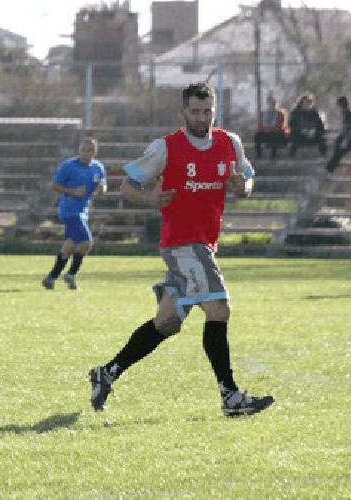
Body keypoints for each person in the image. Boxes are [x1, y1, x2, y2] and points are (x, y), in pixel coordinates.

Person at [87, 82, 274, 417]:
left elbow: (247, 179)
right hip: (183, 244)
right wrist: (150, 199)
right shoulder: (166, 148)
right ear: (183, 112)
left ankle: (107, 372)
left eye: (207, 111)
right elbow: (127, 186)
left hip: (205, 244)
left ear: (214, 111)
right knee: (219, 309)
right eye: (195, 111)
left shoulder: (231, 143)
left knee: (168, 322)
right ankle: (230, 396)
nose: (201, 118)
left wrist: (242, 186)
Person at [41, 137, 106, 290]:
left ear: (95, 152)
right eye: (83, 150)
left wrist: (101, 189)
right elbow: (55, 185)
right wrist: (72, 191)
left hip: (83, 211)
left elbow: (102, 184)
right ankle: (71, 274)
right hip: (69, 210)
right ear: (79, 150)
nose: (86, 153)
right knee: (86, 242)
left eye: (89, 150)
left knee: (69, 246)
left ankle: (51, 277)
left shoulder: (98, 167)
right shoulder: (68, 166)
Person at [326, 95, 351, 173]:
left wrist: (346, 140)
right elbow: (343, 129)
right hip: (345, 138)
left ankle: (329, 168)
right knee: (336, 148)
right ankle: (330, 167)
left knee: (340, 151)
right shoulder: (345, 114)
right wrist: (339, 138)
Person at [288, 93, 327, 157]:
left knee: (322, 139)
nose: (308, 104)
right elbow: (291, 126)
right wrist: (301, 131)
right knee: (294, 139)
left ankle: (324, 156)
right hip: (300, 136)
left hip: (313, 136)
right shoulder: (295, 113)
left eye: (310, 102)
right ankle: (291, 156)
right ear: (302, 103)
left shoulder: (315, 113)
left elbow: (321, 127)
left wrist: (314, 131)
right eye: (306, 102)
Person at [253, 93, 289, 159]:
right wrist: (265, 130)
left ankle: (274, 154)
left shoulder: (280, 113)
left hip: (276, 133)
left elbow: (281, 126)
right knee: (257, 135)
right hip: (266, 132)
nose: (271, 105)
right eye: (269, 103)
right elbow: (260, 125)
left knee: (274, 135)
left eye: (273, 103)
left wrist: (270, 129)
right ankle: (258, 154)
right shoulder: (263, 113)